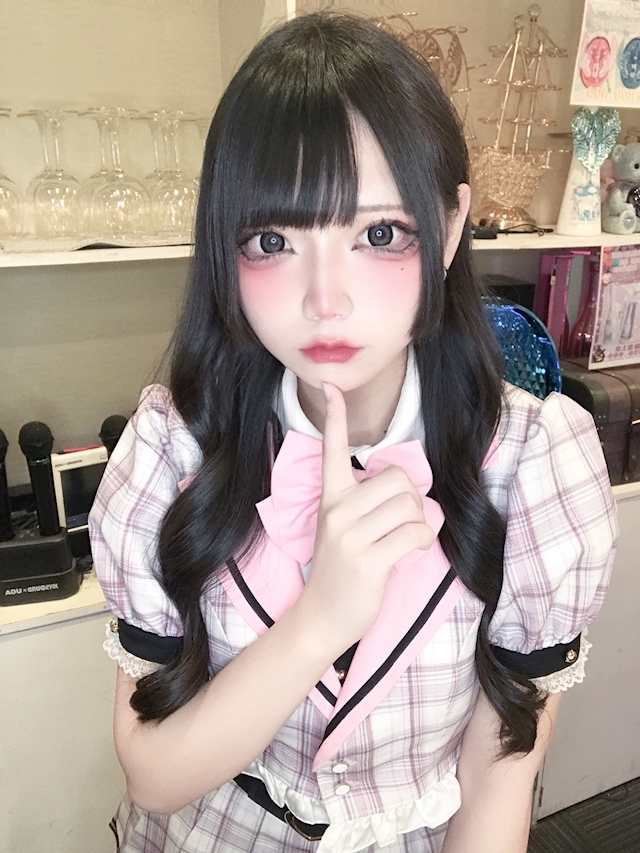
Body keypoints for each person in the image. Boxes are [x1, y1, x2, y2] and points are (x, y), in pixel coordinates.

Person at [89, 12, 618, 853]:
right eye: (273, 240)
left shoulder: (532, 463)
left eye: (378, 234)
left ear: (449, 227)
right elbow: (151, 773)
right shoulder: (172, 448)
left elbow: (499, 774)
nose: (324, 299)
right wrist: (319, 620)